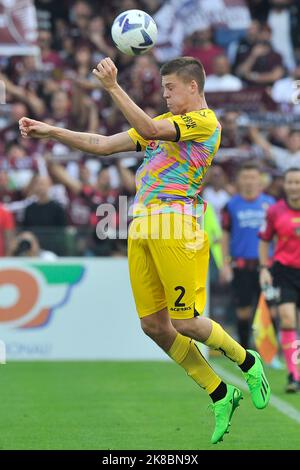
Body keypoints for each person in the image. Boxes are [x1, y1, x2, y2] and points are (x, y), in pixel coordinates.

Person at [19, 56, 270, 444]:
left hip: (176, 223)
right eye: (164, 88)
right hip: (143, 224)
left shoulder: (203, 122)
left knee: (185, 322)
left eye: (171, 88)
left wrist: (113, 87)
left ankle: (247, 360)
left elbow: (149, 126)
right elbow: (102, 145)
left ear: (193, 87)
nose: (166, 94)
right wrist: (51, 131)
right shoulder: (160, 127)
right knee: (153, 325)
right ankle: (221, 394)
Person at [221, 163, 275, 348]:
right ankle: (245, 352)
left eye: (253, 177)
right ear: (239, 181)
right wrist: (226, 263)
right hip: (242, 266)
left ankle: (272, 352)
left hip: (267, 267)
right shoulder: (230, 206)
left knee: (273, 310)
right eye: (245, 177)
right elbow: (225, 236)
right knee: (243, 311)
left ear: (260, 181)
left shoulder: (271, 204)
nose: (249, 181)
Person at [259, 167, 300, 392]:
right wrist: (264, 267)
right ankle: (293, 376)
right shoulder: (275, 211)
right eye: (290, 182)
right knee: (287, 319)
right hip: (285, 271)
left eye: (297, 182)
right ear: (285, 185)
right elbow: (265, 240)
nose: (294, 186)